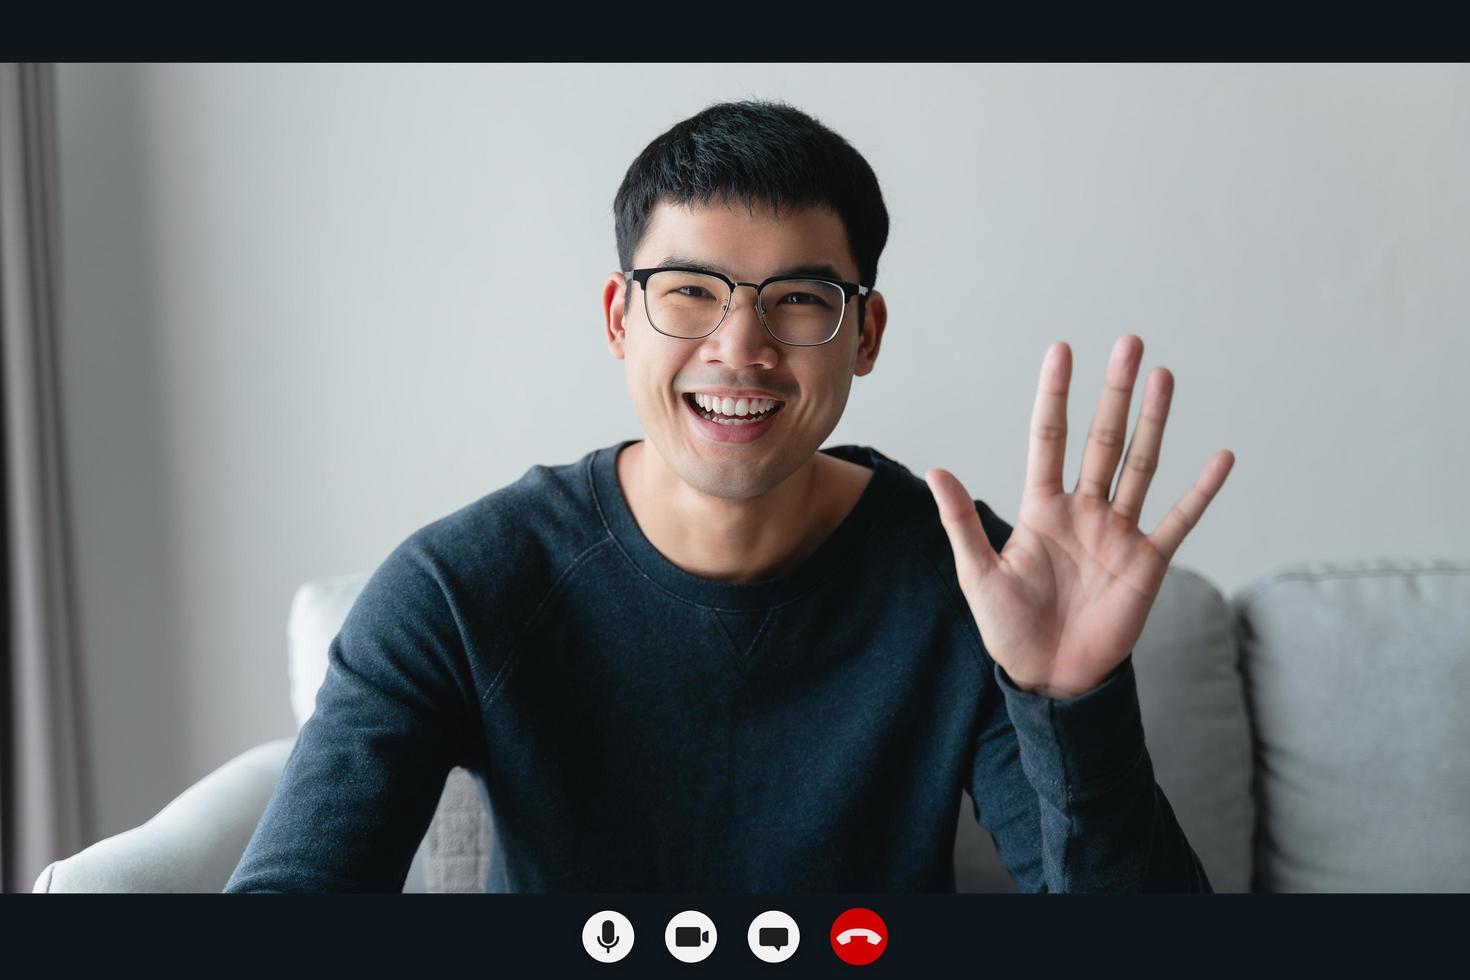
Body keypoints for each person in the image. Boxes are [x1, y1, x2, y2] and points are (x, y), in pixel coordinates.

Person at [225, 98, 1230, 894]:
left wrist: (1071, 704)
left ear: (866, 333)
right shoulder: (465, 584)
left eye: (799, 297)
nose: (741, 346)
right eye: (690, 290)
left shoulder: (976, 581)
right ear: (620, 316)